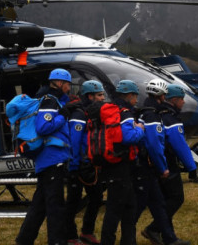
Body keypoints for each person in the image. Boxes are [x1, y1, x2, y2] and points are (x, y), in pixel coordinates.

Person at [16, 68, 73, 245]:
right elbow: (43, 127)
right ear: (60, 83)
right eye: (68, 84)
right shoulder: (51, 101)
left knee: (39, 206)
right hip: (52, 159)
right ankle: (57, 241)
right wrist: (62, 116)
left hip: (48, 160)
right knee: (55, 205)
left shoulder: (51, 100)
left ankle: (24, 240)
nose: (69, 88)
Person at [135, 79, 190, 245]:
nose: (183, 101)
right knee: (174, 198)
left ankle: (168, 237)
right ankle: (153, 231)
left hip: (151, 164)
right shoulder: (163, 115)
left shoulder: (146, 112)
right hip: (159, 164)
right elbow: (170, 144)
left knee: (158, 202)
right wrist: (190, 166)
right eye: (181, 98)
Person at [98, 80, 145, 245]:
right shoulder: (124, 113)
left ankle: (128, 240)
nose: (136, 99)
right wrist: (140, 128)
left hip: (112, 164)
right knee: (115, 209)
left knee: (129, 206)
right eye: (135, 95)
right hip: (120, 165)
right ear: (129, 95)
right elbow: (129, 137)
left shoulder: (112, 110)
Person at [65, 80, 107, 244]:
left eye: (102, 94)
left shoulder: (92, 112)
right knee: (72, 201)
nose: (103, 98)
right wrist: (74, 165)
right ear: (90, 96)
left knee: (96, 197)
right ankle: (70, 235)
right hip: (78, 165)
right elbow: (74, 141)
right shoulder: (79, 114)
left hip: (90, 163)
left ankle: (87, 232)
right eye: (99, 95)